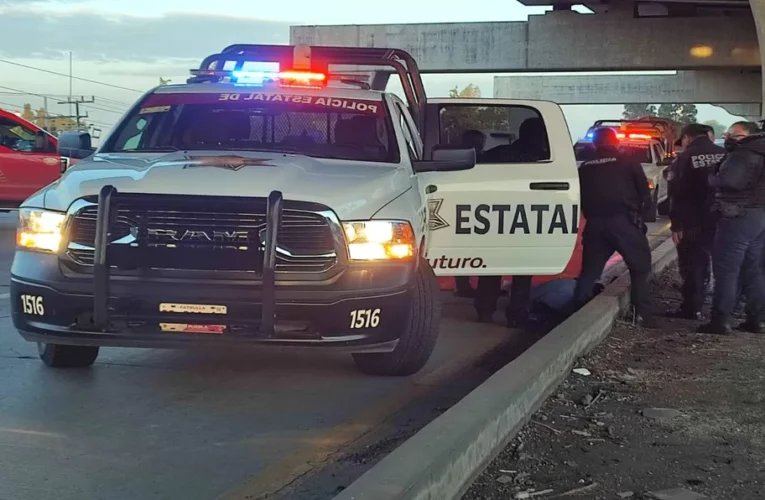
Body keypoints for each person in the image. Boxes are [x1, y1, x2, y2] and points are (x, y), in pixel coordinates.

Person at [568, 127, 656, 326]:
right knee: (640, 267)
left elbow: (580, 198)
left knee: (589, 272)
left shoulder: (585, 167)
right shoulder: (630, 164)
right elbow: (645, 195)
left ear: (594, 144)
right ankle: (641, 314)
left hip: (596, 224)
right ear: (616, 143)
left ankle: (576, 315)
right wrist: (641, 220)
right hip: (625, 222)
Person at [701, 121, 765, 334]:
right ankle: (756, 319)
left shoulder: (744, 153)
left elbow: (730, 181)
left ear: (748, 136)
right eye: (728, 134)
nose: (728, 138)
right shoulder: (760, 150)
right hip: (759, 216)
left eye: (734, 135)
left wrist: (712, 177)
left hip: (737, 215)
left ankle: (720, 321)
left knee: (727, 271)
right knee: (754, 269)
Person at [666, 123, 725, 319]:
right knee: (725, 265)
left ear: (687, 138)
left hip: (693, 221)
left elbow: (676, 194)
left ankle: (693, 308)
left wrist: (677, 225)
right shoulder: (724, 153)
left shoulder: (684, 158)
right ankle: (724, 310)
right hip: (722, 218)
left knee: (693, 264)